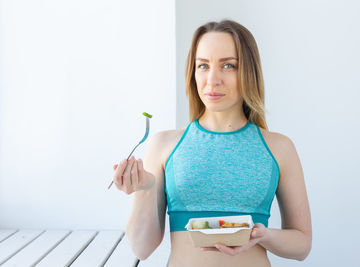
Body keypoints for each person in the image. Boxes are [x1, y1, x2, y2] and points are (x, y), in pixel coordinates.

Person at [112, 20, 312, 267]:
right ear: (193, 72)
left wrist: (264, 235)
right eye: (203, 66)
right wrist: (145, 188)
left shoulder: (279, 148)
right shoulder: (164, 145)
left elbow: (302, 245)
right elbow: (141, 249)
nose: (212, 79)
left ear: (249, 72)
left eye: (228, 65)